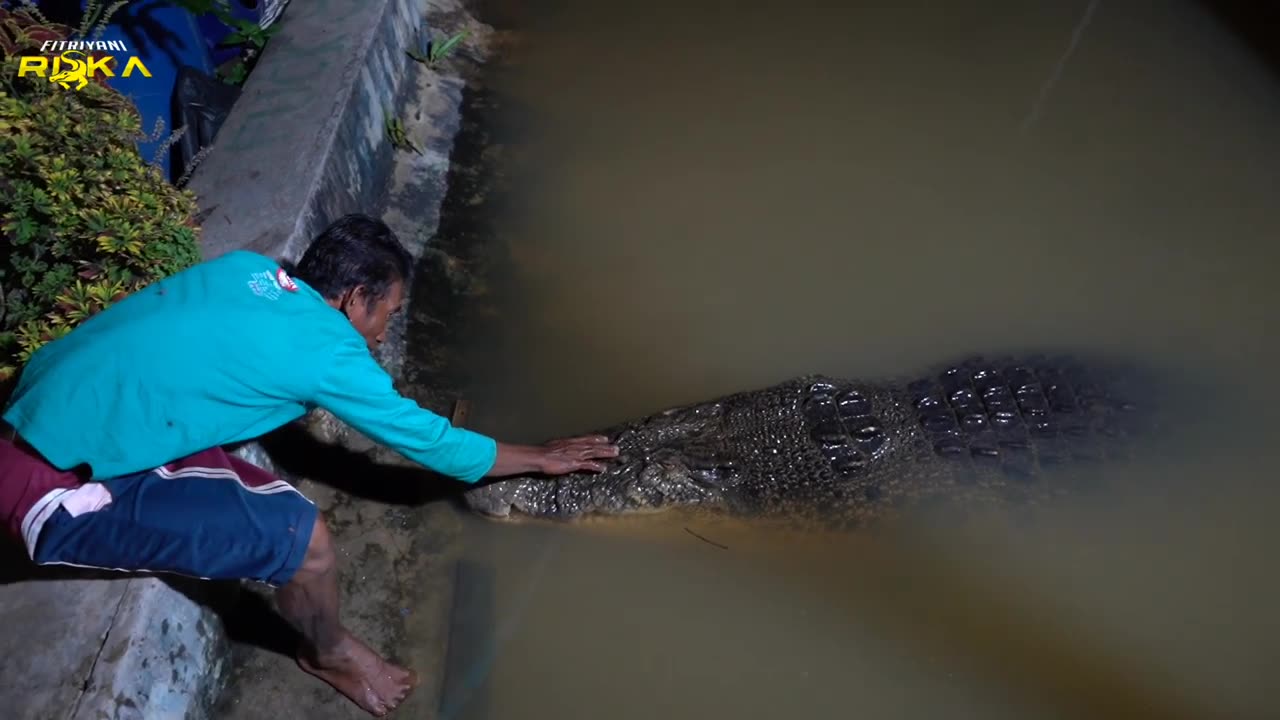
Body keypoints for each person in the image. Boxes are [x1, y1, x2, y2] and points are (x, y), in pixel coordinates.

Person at [0, 214, 618, 717]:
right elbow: (433, 444)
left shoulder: (251, 272)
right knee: (306, 541)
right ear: (353, 299)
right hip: (50, 486)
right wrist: (540, 456)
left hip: (43, 407)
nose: (380, 336)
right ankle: (326, 653)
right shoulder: (330, 354)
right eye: (387, 315)